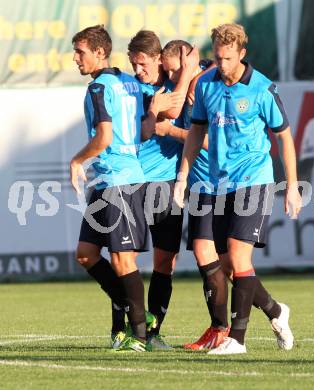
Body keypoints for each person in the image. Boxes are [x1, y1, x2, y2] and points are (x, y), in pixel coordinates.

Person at [174, 23, 302, 355]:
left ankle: (236, 340)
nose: (222, 65)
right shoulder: (206, 86)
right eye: (217, 58)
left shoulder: (261, 89)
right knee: (227, 264)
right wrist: (182, 177)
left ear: (242, 54)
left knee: (238, 252)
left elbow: (285, 137)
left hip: (254, 180)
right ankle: (275, 310)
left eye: (228, 58)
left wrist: (291, 186)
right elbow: (194, 134)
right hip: (217, 184)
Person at [70, 25, 181, 352]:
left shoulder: (102, 88)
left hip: (120, 179)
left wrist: (77, 161)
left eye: (81, 52)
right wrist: (154, 107)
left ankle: (139, 334)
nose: (76, 59)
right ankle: (139, 313)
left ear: (100, 52)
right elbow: (156, 112)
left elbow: (104, 137)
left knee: (122, 259)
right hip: (105, 180)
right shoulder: (128, 82)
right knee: (85, 254)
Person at [110, 30, 198, 350]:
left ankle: (153, 332)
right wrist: (188, 72)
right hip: (132, 180)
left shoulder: (180, 87)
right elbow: (170, 110)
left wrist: (186, 73)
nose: (137, 69)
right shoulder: (135, 89)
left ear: (159, 59)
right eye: (133, 63)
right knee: (125, 258)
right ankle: (120, 329)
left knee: (166, 262)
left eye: (142, 63)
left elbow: (189, 131)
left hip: (166, 184)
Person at [158, 40, 230, 350]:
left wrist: (169, 131)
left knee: (222, 260)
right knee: (217, 260)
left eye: (173, 69)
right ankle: (226, 327)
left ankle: (227, 326)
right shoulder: (185, 86)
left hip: (219, 184)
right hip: (200, 184)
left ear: (187, 62)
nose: (169, 76)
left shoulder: (204, 85)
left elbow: (208, 141)